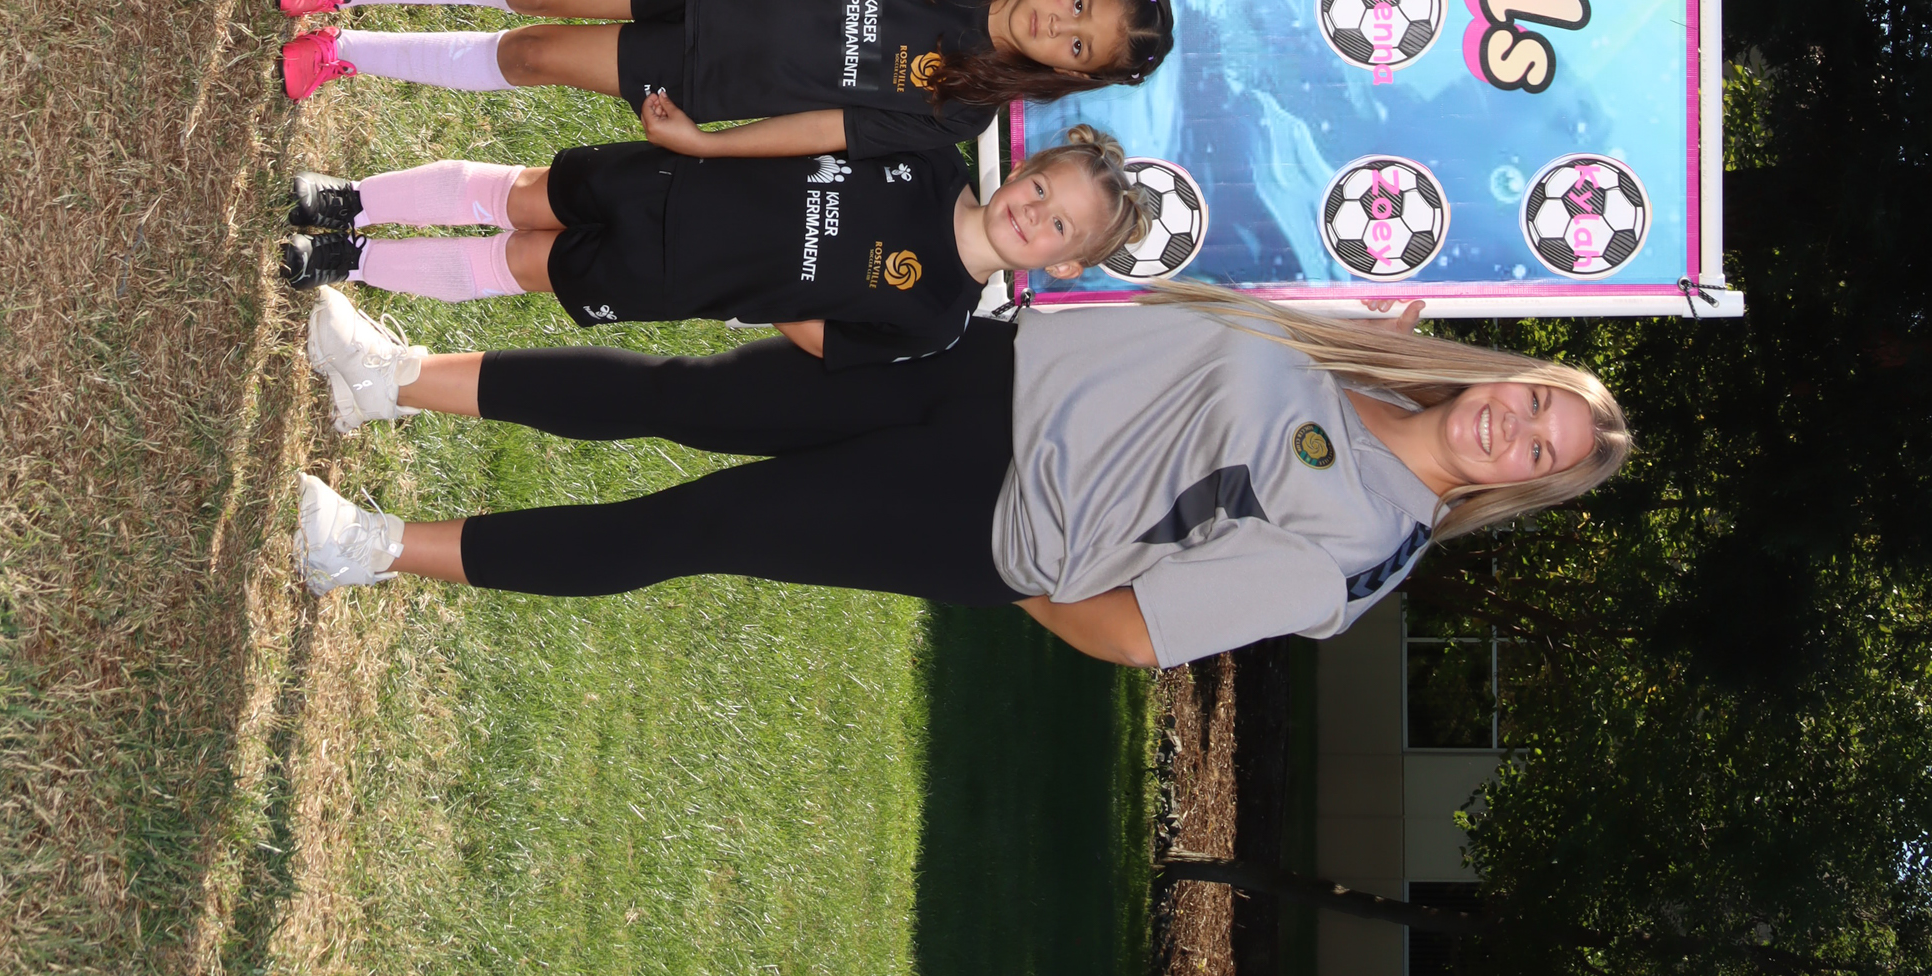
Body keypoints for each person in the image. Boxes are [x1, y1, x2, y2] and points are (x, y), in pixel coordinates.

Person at [288, 290, 1634, 666]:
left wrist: (1017, 570)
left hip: (980, 516)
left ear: (1522, 490)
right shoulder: (1370, 353)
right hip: (984, 369)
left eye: (1539, 454)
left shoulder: (1359, 547)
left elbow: (1137, 635)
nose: (1513, 430)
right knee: (681, 394)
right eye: (1536, 403)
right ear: (1509, 372)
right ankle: (390, 377)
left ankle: (371, 548)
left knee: (694, 524)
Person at [276, 0, 1175, 160]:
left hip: (710, 73)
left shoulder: (963, 111)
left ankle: (347, 54)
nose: (1061, 25)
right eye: (1081, 6)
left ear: (1070, 72)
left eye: (1078, 47)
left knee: (535, 53)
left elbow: (827, 128)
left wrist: (711, 145)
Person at [280, 117, 1144, 373]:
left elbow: (829, 342)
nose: (1033, 214)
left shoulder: (939, 318)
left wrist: (756, 294)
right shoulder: (928, 157)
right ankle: (354, 200)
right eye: (1041, 188)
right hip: (677, 182)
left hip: (679, 276)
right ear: (1024, 167)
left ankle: (350, 260)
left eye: (1057, 227)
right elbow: (813, 131)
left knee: (521, 263)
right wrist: (707, 144)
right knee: (519, 194)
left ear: (1063, 264)